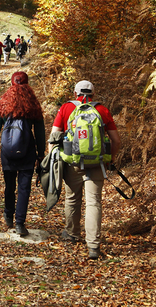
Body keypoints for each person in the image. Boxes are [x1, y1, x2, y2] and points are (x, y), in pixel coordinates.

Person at [50, 80, 121, 260]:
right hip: (96, 164)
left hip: (72, 163)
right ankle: (93, 246)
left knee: (72, 198)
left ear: (75, 94)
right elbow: (116, 140)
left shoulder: (66, 108)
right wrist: (110, 159)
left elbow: (53, 137)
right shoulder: (102, 110)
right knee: (94, 202)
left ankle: (72, 234)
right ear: (93, 95)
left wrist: (53, 160)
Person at [0, 72, 46, 236]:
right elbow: (39, 132)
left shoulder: (4, 104)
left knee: (9, 186)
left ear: (11, 84)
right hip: (27, 151)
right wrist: (40, 153)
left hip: (7, 151)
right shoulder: (33, 105)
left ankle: (8, 214)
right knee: (24, 188)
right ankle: (19, 223)